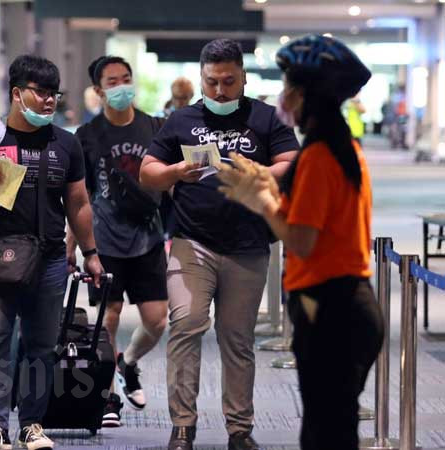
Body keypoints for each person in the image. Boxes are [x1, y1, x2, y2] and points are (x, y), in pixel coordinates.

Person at [216, 34, 384, 450]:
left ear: (311, 95)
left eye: (290, 85)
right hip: (349, 305)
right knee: (331, 427)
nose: (283, 95)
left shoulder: (319, 157)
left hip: (332, 308)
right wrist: (272, 196)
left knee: (325, 433)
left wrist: (261, 204)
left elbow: (302, 241)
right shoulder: (342, 149)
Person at [139, 39, 299, 450]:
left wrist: (262, 172)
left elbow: (291, 162)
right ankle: (182, 426)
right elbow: (148, 173)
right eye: (212, 82)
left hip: (247, 247)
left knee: (237, 338)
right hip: (193, 244)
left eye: (229, 81)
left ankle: (239, 429)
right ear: (201, 80)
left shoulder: (265, 119)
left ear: (243, 78)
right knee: (186, 326)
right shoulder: (180, 121)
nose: (221, 91)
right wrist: (176, 171)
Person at [0, 54, 104, 450]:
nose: (49, 101)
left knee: (40, 345)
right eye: (41, 92)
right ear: (17, 94)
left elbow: (79, 203)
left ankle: (32, 425)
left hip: (49, 257)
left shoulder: (66, 143)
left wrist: (91, 252)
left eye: (54, 93)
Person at [69, 55, 167, 428]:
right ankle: (108, 396)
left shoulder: (155, 127)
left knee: (157, 320)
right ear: (99, 90)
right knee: (107, 318)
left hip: (149, 239)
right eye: (112, 82)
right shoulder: (87, 136)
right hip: (106, 241)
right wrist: (74, 246)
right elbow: (79, 198)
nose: (122, 86)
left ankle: (128, 364)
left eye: (126, 78)